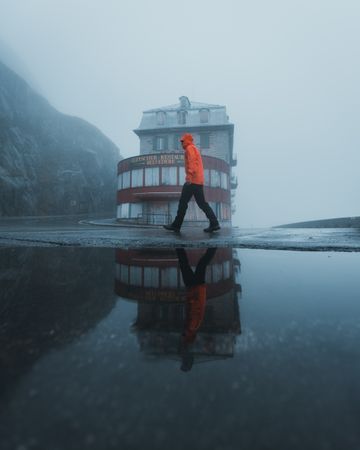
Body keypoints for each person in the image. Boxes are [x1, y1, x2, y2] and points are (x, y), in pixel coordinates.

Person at [163, 133, 220, 233]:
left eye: (182, 141)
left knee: (183, 202)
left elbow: (193, 162)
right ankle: (214, 223)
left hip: (192, 180)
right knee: (202, 203)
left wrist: (189, 175)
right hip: (198, 181)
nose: (181, 143)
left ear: (187, 140)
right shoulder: (193, 148)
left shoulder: (190, 148)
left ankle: (176, 225)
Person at [176, 247, 217, 371]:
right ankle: (214, 247)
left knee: (196, 264)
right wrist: (191, 298)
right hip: (195, 288)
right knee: (196, 264)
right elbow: (196, 309)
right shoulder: (192, 328)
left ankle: (179, 246)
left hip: (194, 289)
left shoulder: (189, 332)